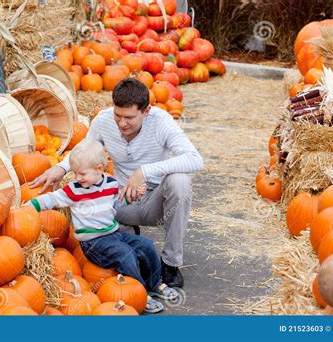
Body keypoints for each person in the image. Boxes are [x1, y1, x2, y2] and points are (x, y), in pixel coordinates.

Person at [30, 78, 204, 288]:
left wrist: (145, 171)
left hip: (157, 201)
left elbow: (195, 159)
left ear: (146, 111)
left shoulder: (161, 121)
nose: (122, 123)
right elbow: (84, 149)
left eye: (129, 117)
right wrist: (62, 167)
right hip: (120, 200)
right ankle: (125, 233)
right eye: (118, 115)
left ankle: (170, 263)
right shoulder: (103, 121)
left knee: (180, 182)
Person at [26, 139, 178, 313]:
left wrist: (132, 197)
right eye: (75, 173)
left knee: (146, 244)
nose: (77, 178)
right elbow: (50, 199)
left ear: (99, 169)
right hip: (93, 243)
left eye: (82, 174)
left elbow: (117, 205)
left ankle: (155, 283)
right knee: (125, 254)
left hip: (113, 234)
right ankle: (141, 294)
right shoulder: (73, 190)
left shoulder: (111, 184)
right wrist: (30, 206)